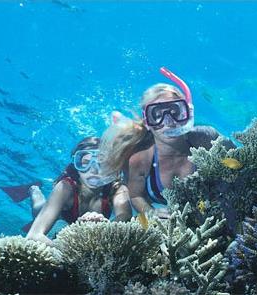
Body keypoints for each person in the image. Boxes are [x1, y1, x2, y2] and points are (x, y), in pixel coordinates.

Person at [100, 67, 235, 219]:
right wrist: (151, 212)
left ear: (187, 113)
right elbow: (136, 196)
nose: (168, 122)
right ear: (147, 122)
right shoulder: (140, 159)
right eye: (156, 115)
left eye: (175, 111)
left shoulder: (205, 138)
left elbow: (241, 159)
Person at [25, 137, 132, 245]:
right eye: (86, 163)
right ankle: (34, 190)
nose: (93, 170)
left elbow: (125, 216)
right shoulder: (64, 187)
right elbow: (33, 235)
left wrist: (104, 228)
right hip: (58, 217)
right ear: (76, 165)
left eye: (102, 164)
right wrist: (68, 253)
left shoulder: (117, 188)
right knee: (38, 208)